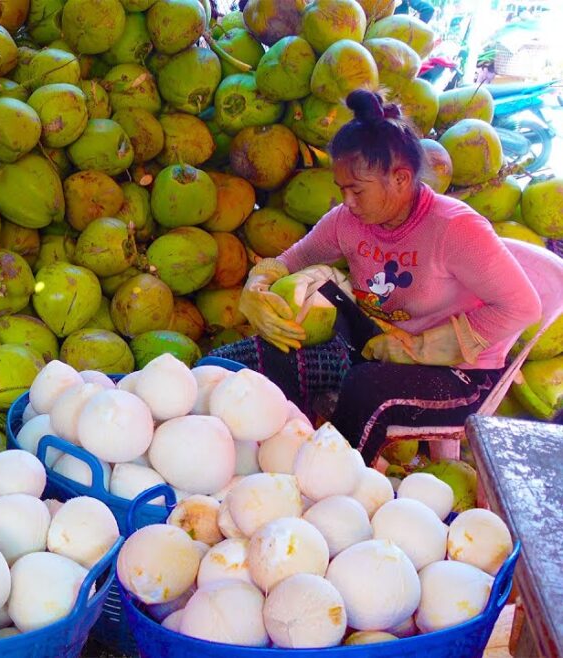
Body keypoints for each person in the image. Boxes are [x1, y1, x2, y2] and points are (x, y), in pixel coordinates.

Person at [211, 89, 541, 464]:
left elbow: (523, 307)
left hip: (460, 374)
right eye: (342, 190)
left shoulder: (454, 228)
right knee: (275, 351)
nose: (347, 202)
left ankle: (327, 480)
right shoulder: (347, 221)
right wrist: (257, 285)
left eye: (357, 190)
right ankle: (279, 447)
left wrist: (421, 349)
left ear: (400, 179)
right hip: (379, 343)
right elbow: (295, 259)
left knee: (365, 389)